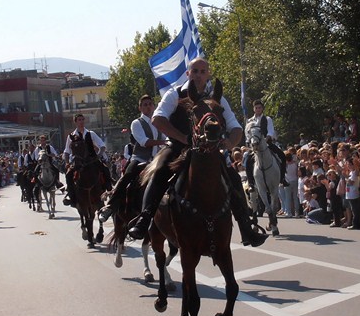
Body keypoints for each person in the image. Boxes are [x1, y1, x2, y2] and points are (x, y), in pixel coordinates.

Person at [127, 57, 267, 247]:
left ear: (208, 74)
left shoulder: (217, 98)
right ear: (188, 74)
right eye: (195, 71)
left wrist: (229, 143)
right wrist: (182, 138)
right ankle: (144, 219)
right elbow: (158, 119)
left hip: (208, 151)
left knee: (233, 178)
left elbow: (235, 127)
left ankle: (246, 227)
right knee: (159, 170)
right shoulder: (175, 94)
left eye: (203, 71)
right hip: (178, 147)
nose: (199, 75)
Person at [99, 95, 166, 223]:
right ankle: (111, 206)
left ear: (153, 106)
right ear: (140, 108)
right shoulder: (136, 123)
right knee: (127, 176)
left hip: (156, 159)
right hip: (140, 158)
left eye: (150, 104)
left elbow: (165, 138)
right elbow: (144, 142)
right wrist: (164, 141)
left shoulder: (158, 122)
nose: (148, 106)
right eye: (144, 104)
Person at [62, 113, 111, 206]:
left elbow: (102, 146)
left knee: (105, 169)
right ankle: (71, 196)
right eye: (79, 120)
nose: (81, 122)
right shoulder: (71, 135)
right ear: (75, 122)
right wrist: (67, 162)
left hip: (91, 160)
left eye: (82, 119)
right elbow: (67, 151)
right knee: (69, 174)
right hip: (77, 161)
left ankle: (109, 189)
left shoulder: (90, 133)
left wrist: (98, 155)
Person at [245, 99, 288, 189]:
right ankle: (251, 183)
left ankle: (282, 178)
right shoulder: (249, 121)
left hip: (266, 143)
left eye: (259, 108)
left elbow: (270, 131)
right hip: (254, 145)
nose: (258, 109)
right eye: (256, 108)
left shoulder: (267, 119)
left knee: (282, 156)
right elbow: (247, 133)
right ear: (254, 109)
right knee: (248, 160)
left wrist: (266, 139)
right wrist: (250, 142)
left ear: (262, 108)